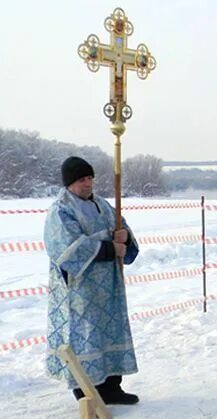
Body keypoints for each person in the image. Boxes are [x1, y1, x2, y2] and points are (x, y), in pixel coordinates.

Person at [44, 157, 140, 404]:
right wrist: (110, 247)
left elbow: (123, 231)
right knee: (85, 336)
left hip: (109, 285)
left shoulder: (104, 205)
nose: (88, 184)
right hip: (81, 288)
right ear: (70, 184)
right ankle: (87, 395)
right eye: (81, 180)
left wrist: (125, 236)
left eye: (90, 178)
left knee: (110, 332)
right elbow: (67, 248)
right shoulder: (61, 210)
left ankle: (112, 388)